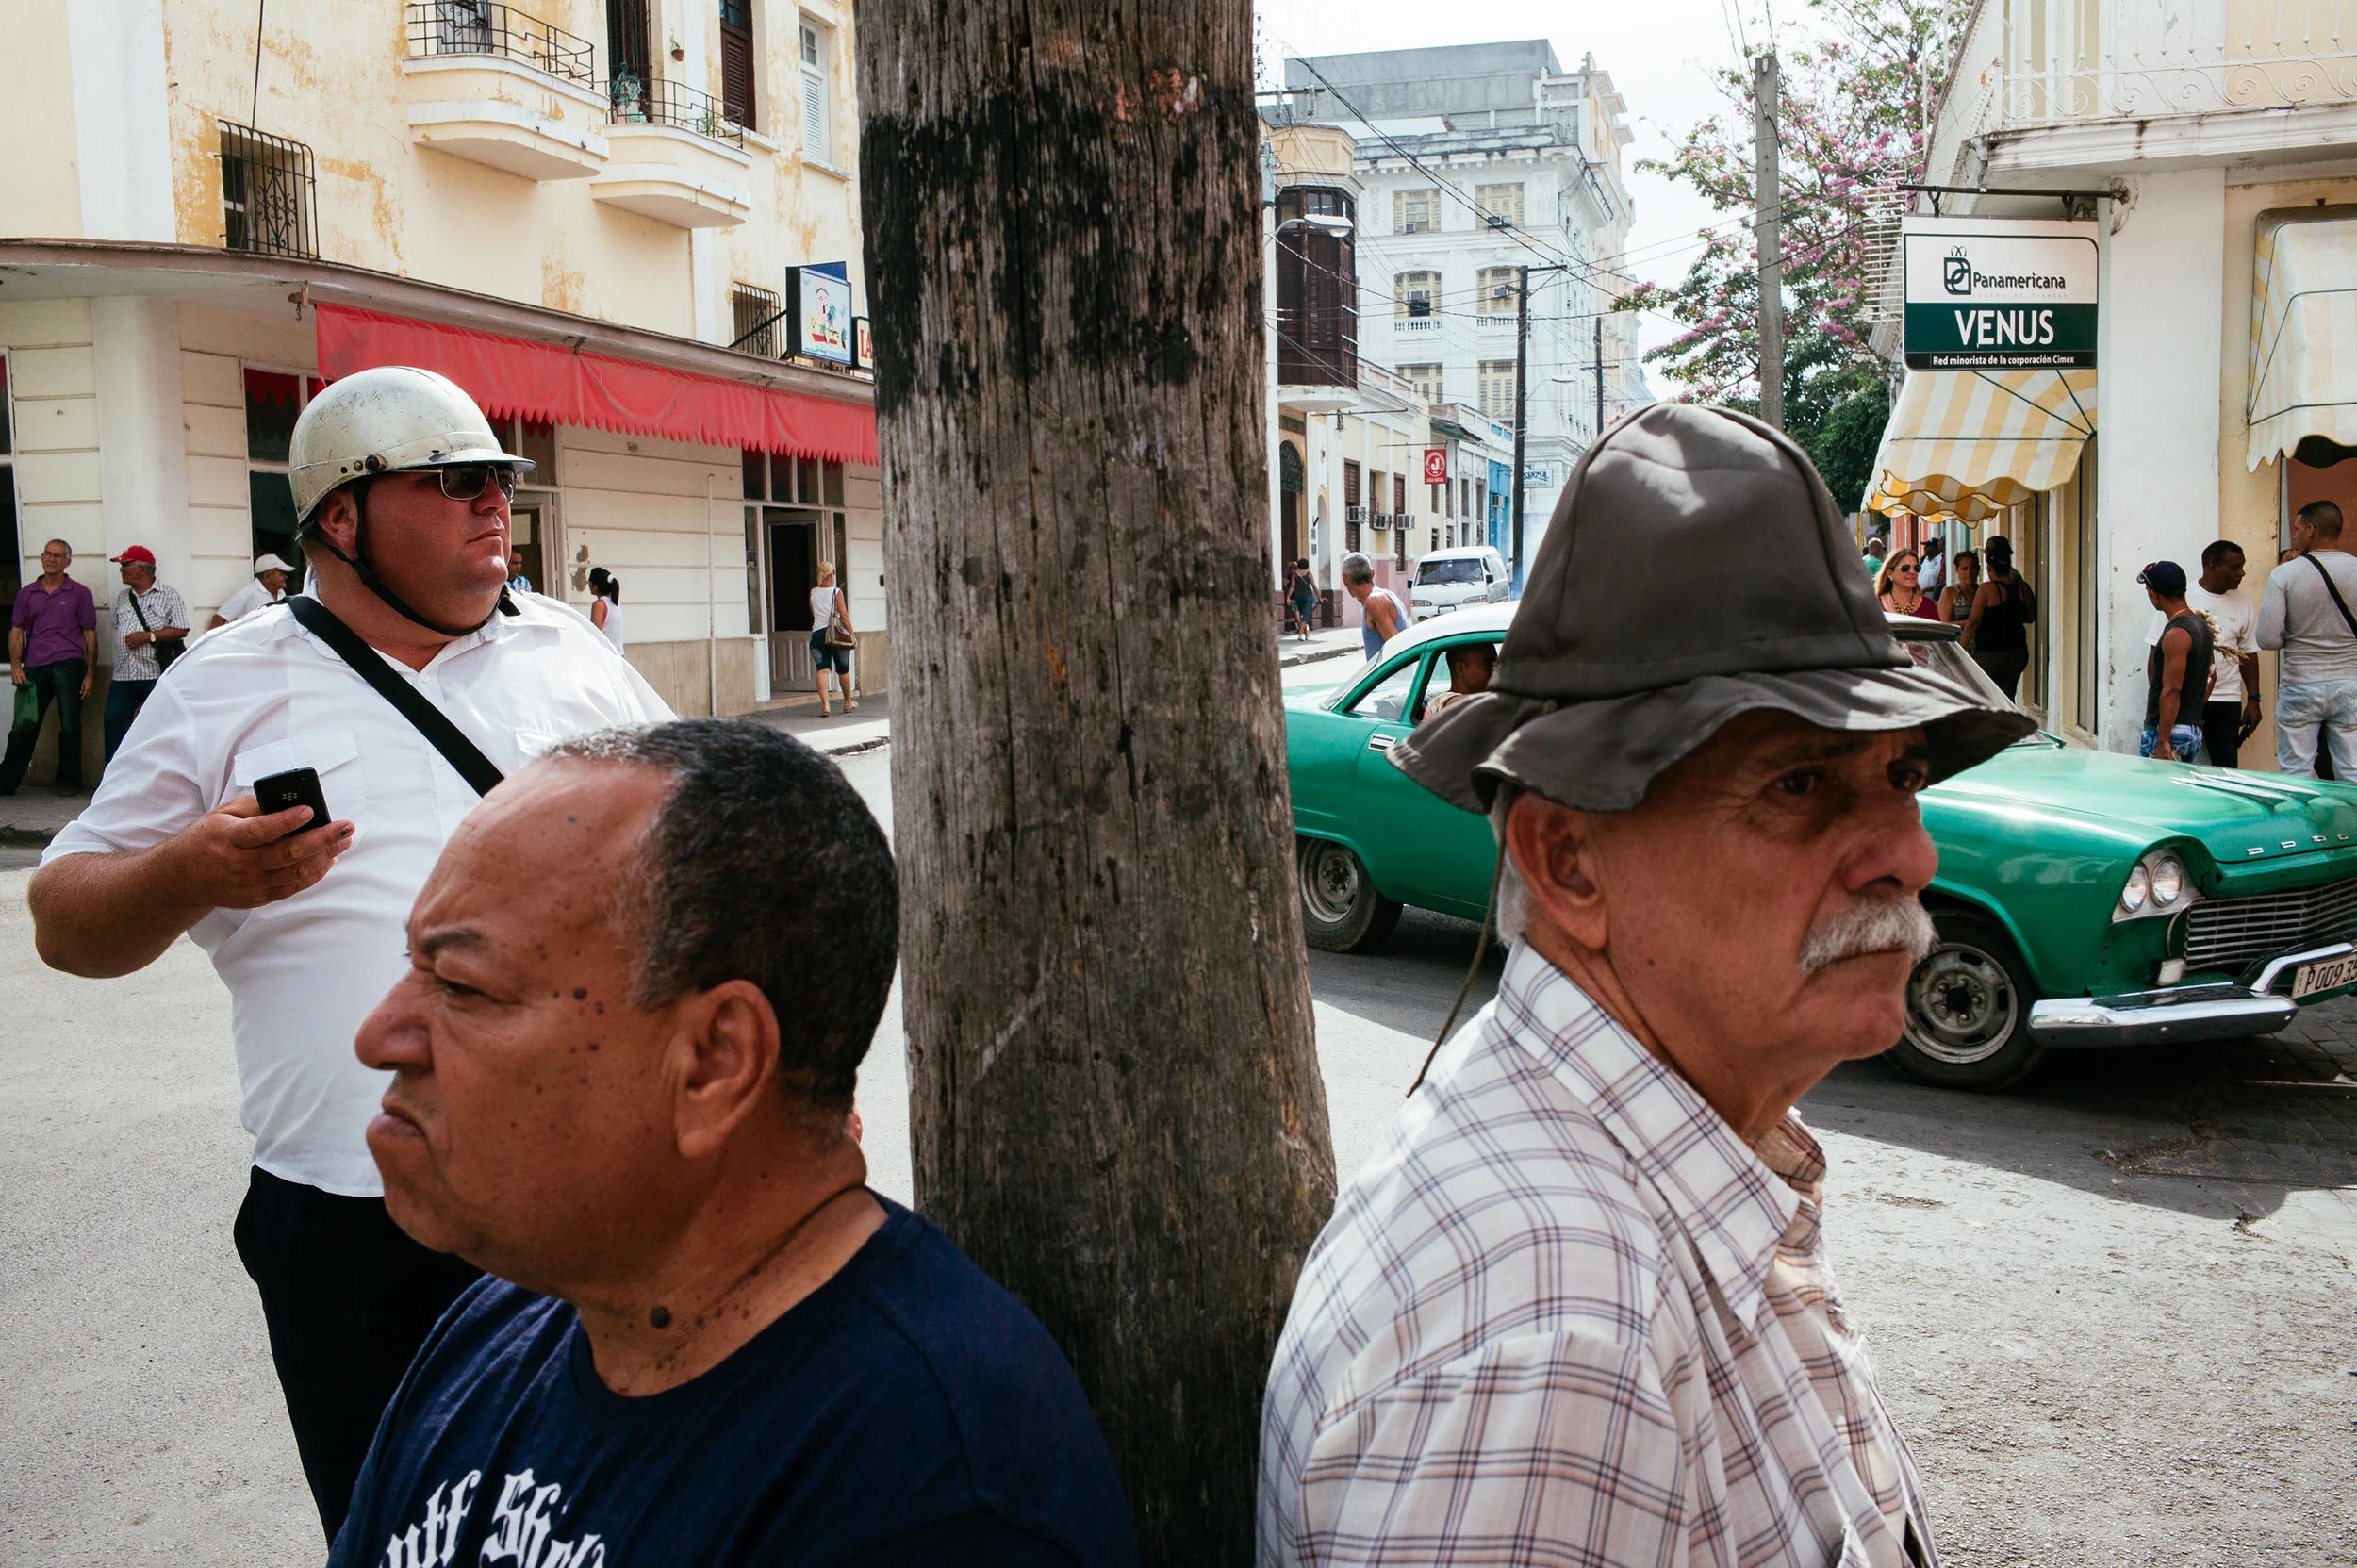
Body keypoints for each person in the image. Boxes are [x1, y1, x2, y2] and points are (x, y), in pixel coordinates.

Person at [1260, 403, 2030, 1568]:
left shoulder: (1659, 1162)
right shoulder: (1552, 1338)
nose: (1908, 854)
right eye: (1799, 785)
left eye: (1903, 773)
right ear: (1568, 861)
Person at [26, 365, 672, 1543]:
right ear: (340, 515)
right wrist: (189, 872)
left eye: (498, 481)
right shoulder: (224, 682)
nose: (493, 504)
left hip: (594, 1193)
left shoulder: (570, 654)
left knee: (621, 1528)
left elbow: (714, 848)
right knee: (398, 1536)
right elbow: (64, 918)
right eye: (454, 480)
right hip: (353, 1228)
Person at [327, 720, 1139, 1566]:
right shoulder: (504, 1323)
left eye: (460, 983)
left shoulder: (924, 1498)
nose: (380, 1033)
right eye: (411, 966)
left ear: (715, 1062)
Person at [2258, 500, 2357, 778]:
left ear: (2311, 530)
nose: (2296, 535)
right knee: (2352, 770)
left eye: (2297, 528)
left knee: (2296, 771)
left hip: (2301, 684)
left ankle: (2299, 821)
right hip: (2349, 684)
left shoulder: (2285, 574)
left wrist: (2296, 634)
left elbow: (2266, 638)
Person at [2143, 540, 2259, 767]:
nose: (2242, 573)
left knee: (2220, 768)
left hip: (2220, 702)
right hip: (2187, 709)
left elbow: (2248, 653)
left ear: (2154, 594)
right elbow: (2157, 658)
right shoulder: (2191, 613)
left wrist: (2254, 698)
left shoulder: (2184, 625)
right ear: (2212, 566)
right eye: (2235, 567)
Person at [1, 537, 98, 798]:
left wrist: (90, 673)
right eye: (48, 554)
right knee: (24, 724)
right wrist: (15, 666)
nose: (51, 559)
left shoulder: (80, 593)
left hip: (69, 664)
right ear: (42, 558)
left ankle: (68, 780)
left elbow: (89, 634)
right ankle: (6, 780)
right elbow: (16, 630)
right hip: (34, 666)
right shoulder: (26, 593)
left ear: (67, 562)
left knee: (69, 725)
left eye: (57, 556)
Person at [102, 545, 190, 762]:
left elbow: (181, 628)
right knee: (113, 722)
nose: (121, 570)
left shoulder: (168, 595)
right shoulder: (123, 598)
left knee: (157, 728)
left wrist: (148, 636)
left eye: (126, 565)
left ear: (143, 569)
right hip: (123, 677)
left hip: (154, 675)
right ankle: (114, 779)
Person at [2138, 561, 2214, 763]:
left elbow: (2171, 690)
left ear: (2153, 594)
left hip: (2171, 732)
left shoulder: (2177, 634)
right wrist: (2191, 710)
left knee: (2155, 793)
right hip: (2189, 727)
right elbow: (2212, 676)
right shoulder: (2201, 625)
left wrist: (2163, 740)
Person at [1959, 534, 2036, 699]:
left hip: (1991, 655)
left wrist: (1960, 649)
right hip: (2017, 654)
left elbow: (1973, 622)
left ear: (1988, 563)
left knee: (1984, 699)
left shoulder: (1987, 589)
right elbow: (2030, 617)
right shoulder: (2023, 588)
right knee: (2007, 699)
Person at [810, 560, 858, 716]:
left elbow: (814, 614)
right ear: (830, 575)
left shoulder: (812, 592)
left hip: (817, 634)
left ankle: (825, 706)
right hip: (836, 635)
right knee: (843, 670)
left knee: (822, 670)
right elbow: (844, 615)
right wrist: (852, 635)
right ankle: (847, 703)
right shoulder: (836, 592)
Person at [1339, 552, 1407, 659]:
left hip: (1393, 676)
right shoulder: (1389, 595)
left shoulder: (1375, 602)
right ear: (1373, 574)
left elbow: (1399, 651)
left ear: (1345, 580)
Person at [209, 553, 296, 631]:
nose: (285, 577)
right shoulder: (248, 593)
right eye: (281, 574)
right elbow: (218, 618)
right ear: (267, 577)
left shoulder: (281, 593)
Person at [1422, 641, 1496, 717]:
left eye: (1497, 664)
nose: (1496, 669)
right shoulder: (1443, 701)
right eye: (1487, 664)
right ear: (1460, 669)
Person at [1874, 549, 1937, 619]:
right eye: (1905, 568)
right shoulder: (1875, 605)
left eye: (1916, 568)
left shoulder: (1928, 606)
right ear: (1890, 574)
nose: (1913, 572)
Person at [1937, 547, 1980, 624]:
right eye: (1964, 569)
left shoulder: (1982, 591)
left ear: (1978, 569)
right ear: (1957, 569)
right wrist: (1971, 623)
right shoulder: (1950, 593)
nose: (1968, 573)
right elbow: (1945, 625)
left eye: (1972, 568)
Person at [587, 568, 625, 652]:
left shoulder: (599, 605)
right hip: (619, 654)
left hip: (607, 655)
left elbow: (596, 634)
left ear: (595, 586)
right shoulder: (617, 603)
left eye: (589, 582)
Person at [1288, 558, 1320, 643]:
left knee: (1303, 616)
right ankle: (1300, 634)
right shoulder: (1309, 574)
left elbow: (1292, 586)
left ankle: (1305, 635)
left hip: (1299, 597)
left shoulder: (1295, 574)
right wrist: (1319, 597)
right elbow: (1314, 586)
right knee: (1305, 616)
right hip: (1308, 597)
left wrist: (1288, 597)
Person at [1918, 534, 1947, 599]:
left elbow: (1941, 581)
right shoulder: (1923, 559)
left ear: (1935, 548)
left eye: (1928, 546)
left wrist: (1926, 589)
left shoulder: (1941, 560)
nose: (1925, 548)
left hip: (1932, 596)